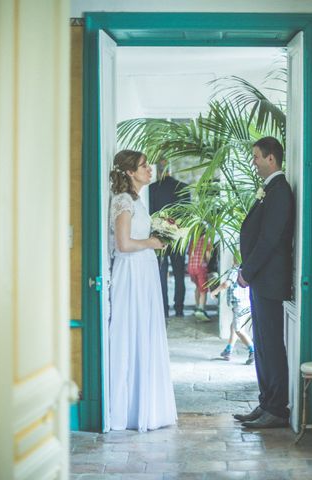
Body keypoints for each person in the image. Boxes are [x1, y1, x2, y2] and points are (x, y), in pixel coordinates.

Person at [108, 149, 177, 432]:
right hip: (131, 273)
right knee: (132, 331)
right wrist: (151, 242)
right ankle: (129, 410)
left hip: (144, 271)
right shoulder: (123, 201)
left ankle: (146, 405)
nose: (150, 169)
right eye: (143, 166)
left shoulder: (137, 200)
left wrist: (157, 239)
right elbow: (123, 244)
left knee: (145, 332)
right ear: (129, 172)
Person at [234, 136, 294, 429]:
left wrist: (248, 271)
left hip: (269, 280)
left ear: (271, 159)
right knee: (262, 344)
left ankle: (278, 409)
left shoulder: (280, 191)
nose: (254, 163)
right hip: (262, 280)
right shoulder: (270, 190)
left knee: (271, 345)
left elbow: (270, 239)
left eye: (256, 157)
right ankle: (266, 402)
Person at [149, 159, 190, 318]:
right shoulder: (182, 188)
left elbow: (150, 214)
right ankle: (179, 310)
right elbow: (187, 216)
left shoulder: (151, 189)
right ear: (170, 169)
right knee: (179, 274)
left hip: (158, 238)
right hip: (178, 238)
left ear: (158, 170)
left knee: (161, 273)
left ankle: (164, 309)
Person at [211, 267, 255, 365]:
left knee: (238, 329)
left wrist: (215, 291)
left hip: (239, 304)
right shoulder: (246, 269)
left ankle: (253, 350)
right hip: (247, 303)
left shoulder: (235, 271)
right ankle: (228, 350)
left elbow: (226, 284)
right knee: (233, 326)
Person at [187, 234, 211, 320]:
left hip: (191, 267)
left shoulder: (193, 239)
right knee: (203, 290)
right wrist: (207, 262)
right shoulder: (206, 239)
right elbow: (208, 253)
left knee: (197, 287)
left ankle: (197, 307)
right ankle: (201, 310)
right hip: (201, 267)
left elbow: (189, 253)